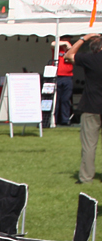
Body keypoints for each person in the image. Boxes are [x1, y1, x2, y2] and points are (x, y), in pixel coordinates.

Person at [67, 34, 102, 183]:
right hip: (93, 105)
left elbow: (69, 56)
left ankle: (86, 177)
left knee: (89, 145)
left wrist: (84, 38)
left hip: (92, 105)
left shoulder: (91, 59)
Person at [55, 39, 76, 126]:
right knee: (56, 99)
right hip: (57, 76)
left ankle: (65, 119)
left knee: (65, 99)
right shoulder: (57, 48)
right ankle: (54, 119)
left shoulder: (71, 50)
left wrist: (70, 47)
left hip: (68, 76)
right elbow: (53, 44)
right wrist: (65, 43)